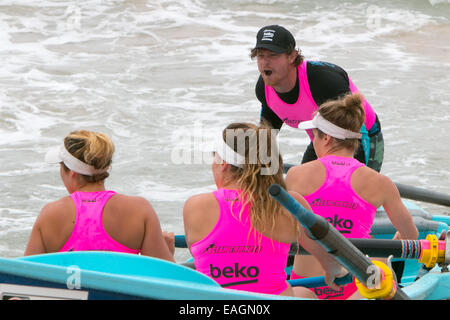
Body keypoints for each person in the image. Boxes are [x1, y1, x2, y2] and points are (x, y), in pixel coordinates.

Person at [183, 122, 345, 298]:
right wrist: (333, 270)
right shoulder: (290, 204)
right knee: (304, 294)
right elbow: (328, 256)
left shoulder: (195, 206)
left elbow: (198, 256)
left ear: (223, 164)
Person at [285, 93, 419, 300]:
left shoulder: (296, 175)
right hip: (359, 287)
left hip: (305, 287)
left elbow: (273, 228)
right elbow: (411, 236)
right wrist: (391, 244)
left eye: (314, 135)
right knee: (384, 270)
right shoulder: (379, 182)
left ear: (326, 138)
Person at [24, 130, 174, 262]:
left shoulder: (51, 213)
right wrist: (168, 253)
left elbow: (24, 279)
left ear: (73, 174)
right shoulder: (139, 209)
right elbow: (167, 278)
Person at [250, 25, 384, 172]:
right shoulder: (263, 89)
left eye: (273, 55)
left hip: (363, 138)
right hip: (321, 140)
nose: (265, 62)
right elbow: (265, 139)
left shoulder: (323, 82)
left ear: (292, 56)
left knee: (351, 190)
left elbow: (356, 132)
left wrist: (355, 180)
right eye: (260, 55)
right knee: (303, 187)